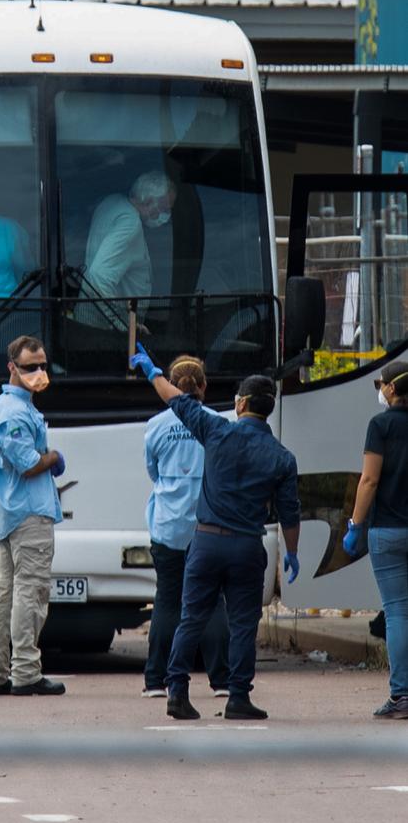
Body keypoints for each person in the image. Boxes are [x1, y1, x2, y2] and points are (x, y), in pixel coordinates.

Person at [130, 343, 300, 721]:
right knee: (241, 622)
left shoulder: (217, 431)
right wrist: (292, 552)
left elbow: (176, 400)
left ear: (240, 404)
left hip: (205, 541)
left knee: (190, 616)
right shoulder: (282, 457)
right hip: (245, 546)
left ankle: (176, 691)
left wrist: (152, 371)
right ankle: (237, 696)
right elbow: (290, 513)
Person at [0, 335, 66, 696]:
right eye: (31, 367)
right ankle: (27, 672)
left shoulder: (11, 405)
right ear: (12, 367)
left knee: (6, 593)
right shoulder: (15, 411)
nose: (39, 372)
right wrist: (53, 458)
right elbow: (28, 464)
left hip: (12, 512)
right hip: (27, 512)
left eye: (43, 365)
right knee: (30, 593)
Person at [142, 354, 230, 699]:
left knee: (167, 601)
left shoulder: (157, 425)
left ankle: (154, 679)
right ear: (204, 387)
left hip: (167, 526)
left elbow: (153, 469)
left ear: (170, 388)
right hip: (206, 526)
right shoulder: (217, 422)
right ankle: (221, 679)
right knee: (211, 601)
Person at [344, 361, 408, 719]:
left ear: (392, 390)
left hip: (387, 530)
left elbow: (368, 481)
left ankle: (402, 696)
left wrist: (355, 524)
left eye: (381, 385)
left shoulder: (380, 426)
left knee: (398, 612)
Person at [77, 171, 176, 330]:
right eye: (165, 208)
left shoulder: (112, 202)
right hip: (105, 331)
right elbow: (99, 277)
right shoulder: (130, 223)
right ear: (149, 201)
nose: (166, 216)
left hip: (88, 321)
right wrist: (122, 326)